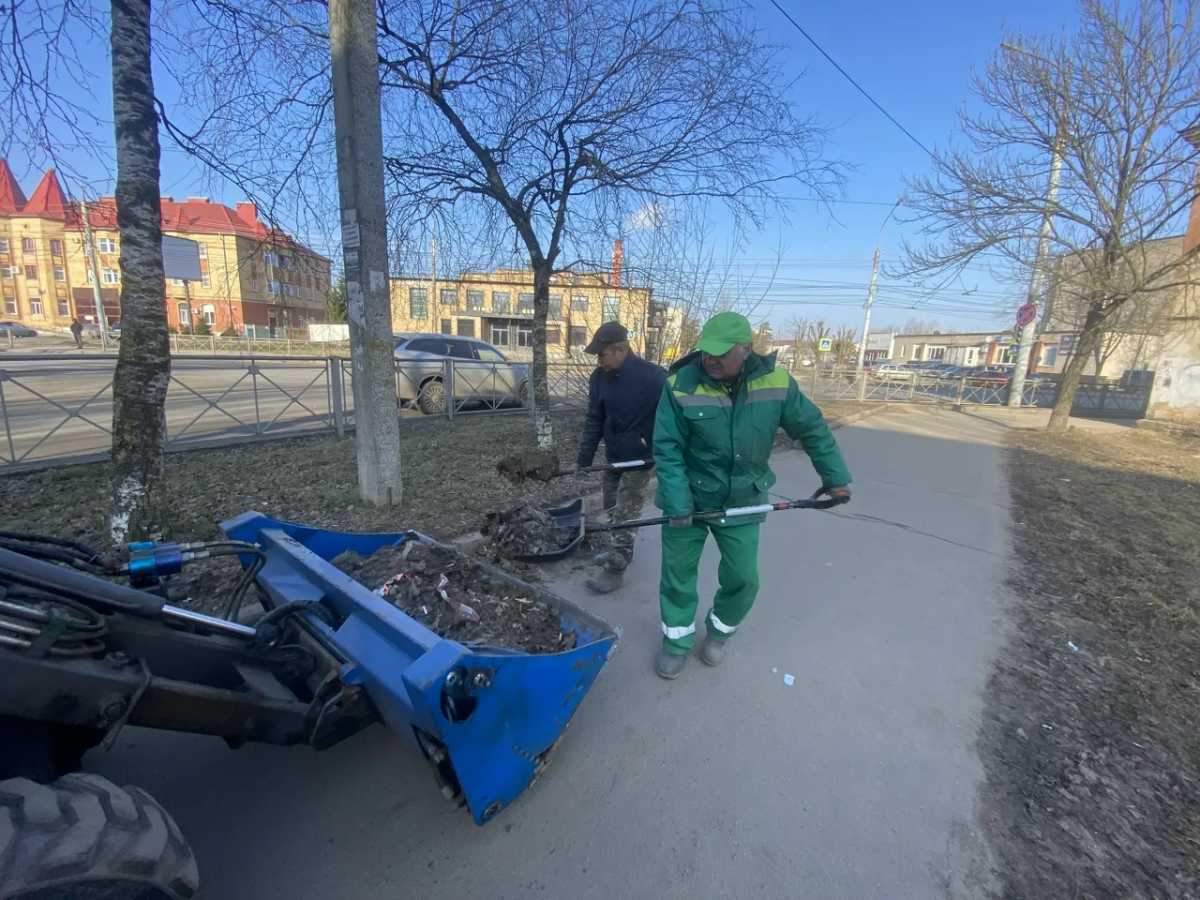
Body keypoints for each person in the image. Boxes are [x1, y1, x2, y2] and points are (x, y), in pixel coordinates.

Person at [651, 311, 852, 679]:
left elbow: (812, 429)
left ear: (746, 349)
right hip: (689, 496)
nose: (710, 359)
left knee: (744, 577)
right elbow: (666, 447)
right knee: (677, 575)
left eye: (720, 353)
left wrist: (835, 477)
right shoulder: (680, 384)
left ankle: (720, 630)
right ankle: (676, 642)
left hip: (744, 497)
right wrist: (678, 501)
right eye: (706, 352)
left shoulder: (776, 382)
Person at [576, 321, 667, 594]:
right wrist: (584, 459)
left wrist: (658, 449)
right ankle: (622, 549)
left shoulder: (653, 378)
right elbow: (594, 419)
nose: (599, 361)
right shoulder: (599, 378)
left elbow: (671, 419)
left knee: (626, 512)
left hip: (640, 460)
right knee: (611, 507)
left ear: (620, 349)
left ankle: (615, 569)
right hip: (613, 457)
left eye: (601, 354)